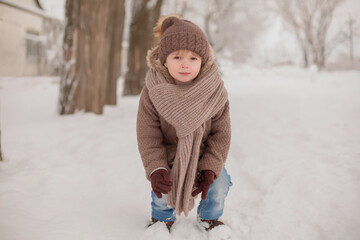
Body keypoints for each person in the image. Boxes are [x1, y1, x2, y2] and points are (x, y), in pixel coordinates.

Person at [136, 15, 232, 233]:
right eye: (177, 57)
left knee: (219, 185)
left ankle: (209, 217)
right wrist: (156, 168)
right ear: (163, 59)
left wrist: (210, 168)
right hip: (169, 155)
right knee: (162, 189)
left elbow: (221, 134)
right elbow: (147, 134)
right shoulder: (153, 91)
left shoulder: (215, 92)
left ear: (204, 60)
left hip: (203, 155)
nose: (185, 64)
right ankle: (161, 219)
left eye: (193, 58)